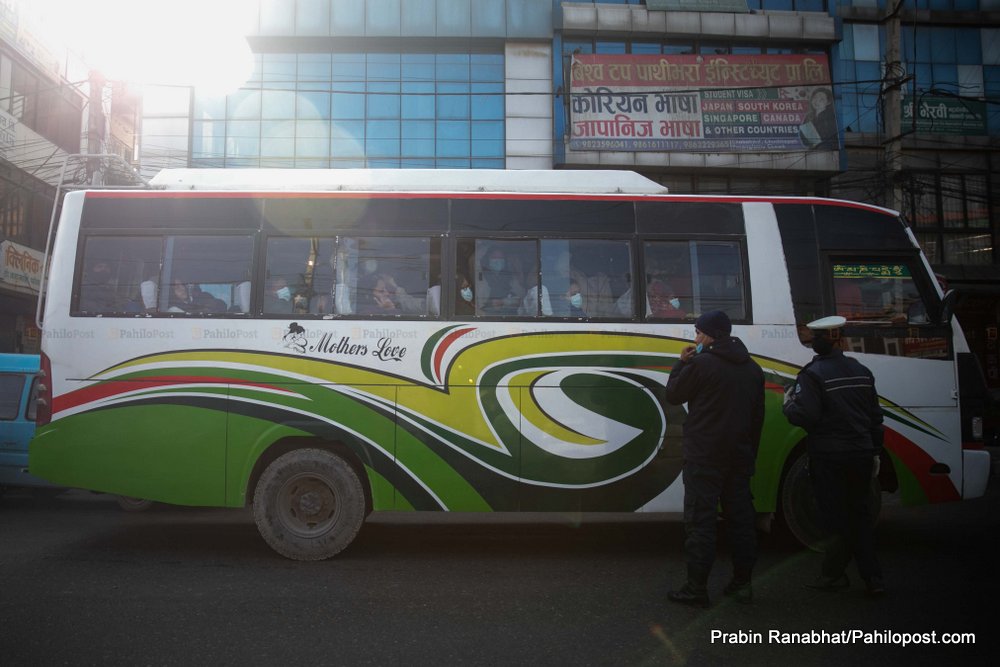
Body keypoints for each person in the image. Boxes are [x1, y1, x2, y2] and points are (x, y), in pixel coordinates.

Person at [663, 310, 765, 607]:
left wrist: (679, 364)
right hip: (740, 455)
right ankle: (742, 584)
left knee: (701, 521)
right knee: (741, 522)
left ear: (709, 335)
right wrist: (749, 455)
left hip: (705, 456)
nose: (695, 338)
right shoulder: (753, 368)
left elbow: (673, 395)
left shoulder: (700, 364)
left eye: (698, 332)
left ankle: (696, 589)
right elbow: (757, 418)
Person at [782, 315, 886, 596]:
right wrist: (875, 451)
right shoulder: (861, 371)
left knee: (834, 518)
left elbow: (806, 416)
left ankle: (833, 575)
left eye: (816, 338)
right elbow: (876, 417)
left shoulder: (812, 375)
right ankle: (872, 579)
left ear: (829, 339)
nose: (812, 342)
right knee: (860, 516)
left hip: (829, 457)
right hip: (861, 454)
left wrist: (788, 403)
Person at [478, 247, 523, 316]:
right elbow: (479, 301)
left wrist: (504, 302)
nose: (497, 260)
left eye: (500, 258)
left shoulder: (510, 276)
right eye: (494, 257)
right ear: (488, 259)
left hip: (510, 315)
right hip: (487, 316)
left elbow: (521, 295)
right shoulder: (482, 276)